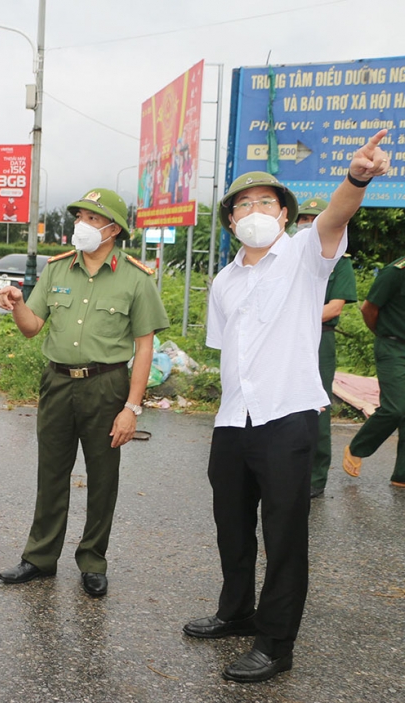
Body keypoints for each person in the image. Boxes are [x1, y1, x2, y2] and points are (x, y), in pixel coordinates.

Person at [183, 132, 390, 684]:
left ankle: (276, 643)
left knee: (284, 533)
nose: (253, 211)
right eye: (243, 205)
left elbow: (337, 217)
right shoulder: (224, 281)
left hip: (287, 416)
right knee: (231, 524)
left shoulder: (303, 254)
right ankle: (236, 612)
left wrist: (357, 178)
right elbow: (231, 352)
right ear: (230, 221)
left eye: (265, 203)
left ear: (284, 214)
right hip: (233, 420)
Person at [0, 188, 169, 597]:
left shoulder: (135, 278)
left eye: (92, 219)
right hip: (56, 382)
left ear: (112, 228)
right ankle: (39, 558)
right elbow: (32, 326)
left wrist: (132, 408)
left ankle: (93, 560)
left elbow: (145, 347)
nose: (82, 226)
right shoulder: (56, 270)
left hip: (106, 384)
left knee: (102, 477)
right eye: (79, 218)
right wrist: (17, 304)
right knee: (51, 472)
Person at [292, 199, 358, 499]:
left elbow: (334, 307)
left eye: (312, 218)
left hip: (320, 339)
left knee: (315, 405)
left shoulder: (340, 263)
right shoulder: (285, 257)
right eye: (302, 218)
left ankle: (315, 478)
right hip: (286, 339)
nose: (306, 223)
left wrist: (292, 314)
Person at [343, 249, 405, 489]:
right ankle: (357, 447)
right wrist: (383, 335)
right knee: (395, 408)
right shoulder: (395, 272)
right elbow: (368, 308)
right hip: (393, 346)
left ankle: (401, 475)